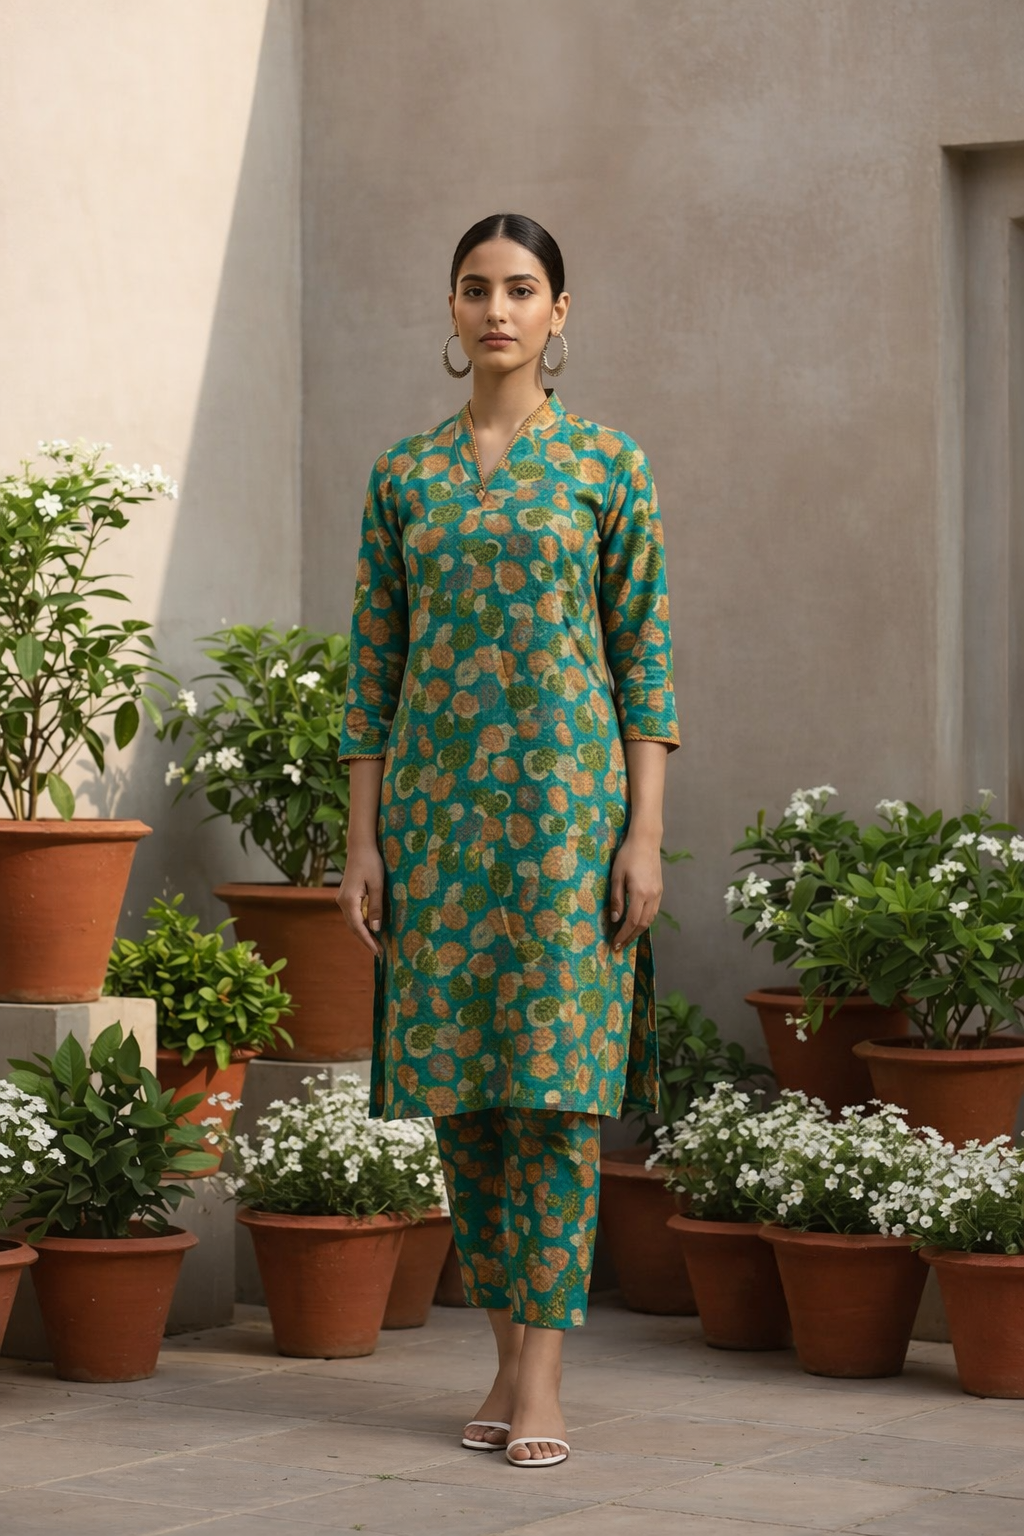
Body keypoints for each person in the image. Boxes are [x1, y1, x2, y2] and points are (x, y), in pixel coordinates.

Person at [337, 213, 678, 1468]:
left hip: (566, 830)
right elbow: (370, 669)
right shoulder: (405, 477)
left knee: (553, 1096)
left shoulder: (605, 464)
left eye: (521, 289)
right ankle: (498, 1356)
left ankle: (541, 1379)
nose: (497, 309)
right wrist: (360, 841)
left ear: (559, 312)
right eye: (476, 288)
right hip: (434, 831)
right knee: (463, 1101)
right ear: (450, 308)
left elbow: (644, 656)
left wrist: (643, 835)